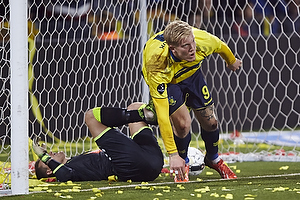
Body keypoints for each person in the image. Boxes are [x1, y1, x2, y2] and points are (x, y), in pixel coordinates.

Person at [142, 20, 242, 181]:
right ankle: (183, 161)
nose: (192, 48)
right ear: (172, 48)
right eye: (185, 46)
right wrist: (172, 154)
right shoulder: (156, 63)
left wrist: (231, 61)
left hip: (192, 74)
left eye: (192, 42)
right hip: (168, 81)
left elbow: (220, 45)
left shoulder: (203, 41)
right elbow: (162, 114)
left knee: (211, 123)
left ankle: (213, 158)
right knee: (182, 124)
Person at [33, 102, 164, 182]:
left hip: (153, 162)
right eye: (48, 156)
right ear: (50, 171)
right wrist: (43, 156)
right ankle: (143, 116)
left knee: (136, 107)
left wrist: (45, 156)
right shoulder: (71, 170)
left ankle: (175, 120)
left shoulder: (75, 160)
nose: (50, 152)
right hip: (131, 165)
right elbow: (65, 175)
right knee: (91, 116)